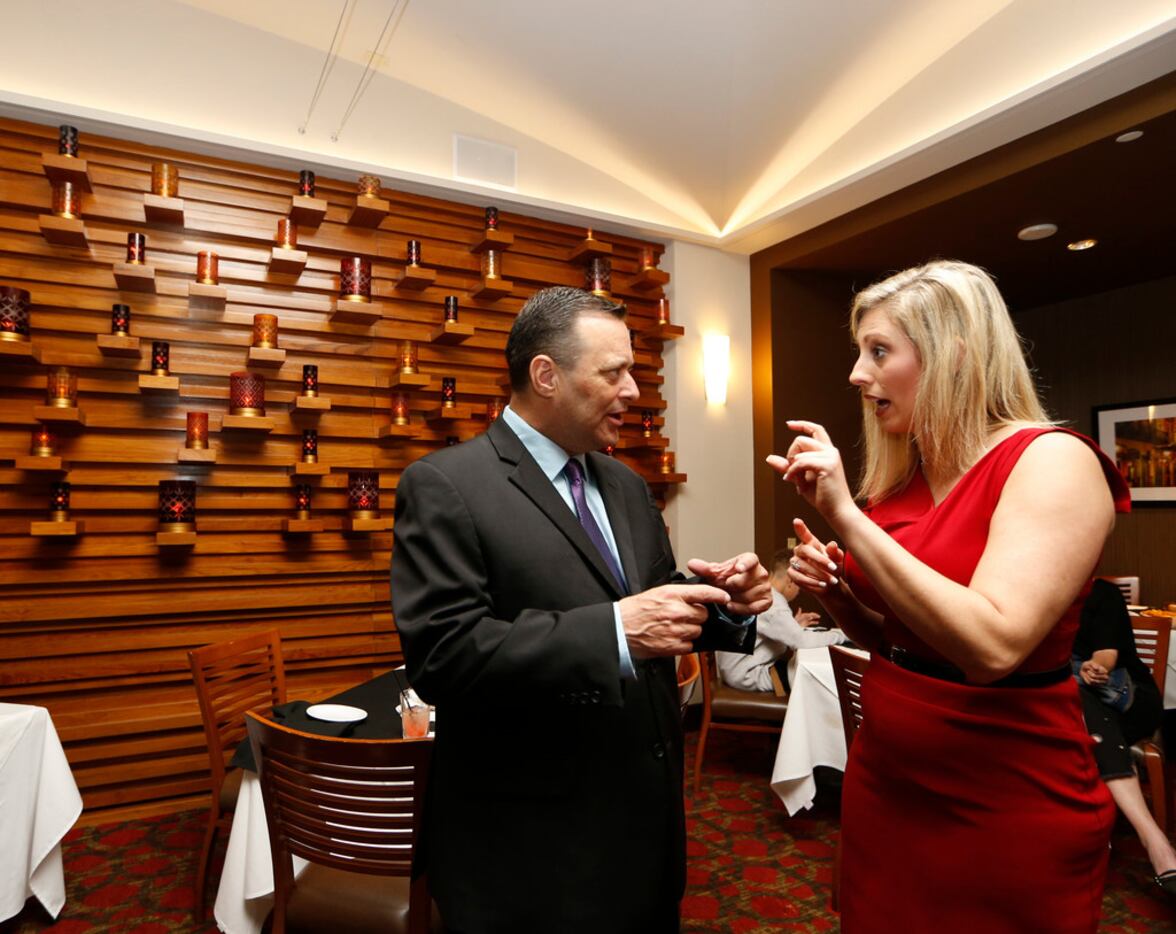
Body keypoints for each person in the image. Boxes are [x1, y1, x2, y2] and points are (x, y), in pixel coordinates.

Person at [391, 286, 770, 933]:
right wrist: (615, 631)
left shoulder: (622, 482)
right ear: (546, 376)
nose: (633, 393)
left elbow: (651, 601)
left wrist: (724, 603)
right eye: (614, 373)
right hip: (530, 853)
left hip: (642, 836)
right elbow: (444, 655)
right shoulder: (447, 485)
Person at [767, 260, 1130, 931]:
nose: (856, 374)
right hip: (887, 785)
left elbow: (991, 647)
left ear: (953, 355)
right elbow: (902, 641)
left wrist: (844, 517)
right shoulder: (902, 485)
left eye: (879, 351)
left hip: (1004, 800)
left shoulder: (1051, 461)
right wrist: (842, 594)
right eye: (859, 352)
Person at [1073, 577, 1176, 893]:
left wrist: (1096, 667)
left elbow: (1107, 652)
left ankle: (1152, 840)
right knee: (1075, 704)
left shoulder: (1102, 593)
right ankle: (1154, 843)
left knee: (1084, 710)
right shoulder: (1029, 597)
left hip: (1127, 700)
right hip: (1073, 706)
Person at [717, 548, 847, 693]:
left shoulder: (762, 593)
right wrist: (843, 635)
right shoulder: (773, 604)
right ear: (791, 580)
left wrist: (794, 625)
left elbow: (767, 630)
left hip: (735, 670)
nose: (798, 592)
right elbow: (802, 642)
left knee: (799, 665)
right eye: (799, 585)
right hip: (747, 675)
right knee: (809, 677)